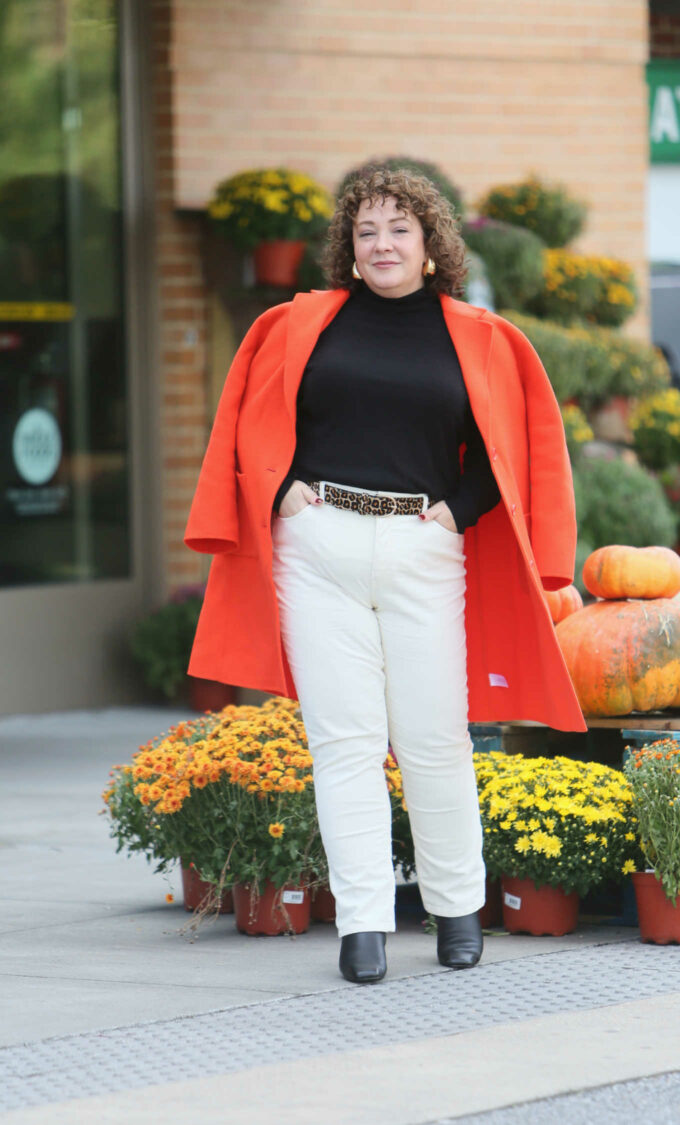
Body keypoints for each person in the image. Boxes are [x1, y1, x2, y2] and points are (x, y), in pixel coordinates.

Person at [184, 167, 585, 984]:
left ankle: (456, 909)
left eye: (399, 228)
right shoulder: (299, 325)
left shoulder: (477, 336)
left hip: (421, 548)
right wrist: (285, 486)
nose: (382, 244)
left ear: (431, 247)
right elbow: (250, 421)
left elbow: (511, 447)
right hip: (318, 543)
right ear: (349, 248)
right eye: (366, 231)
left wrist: (456, 509)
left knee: (435, 738)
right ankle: (362, 926)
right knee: (345, 743)